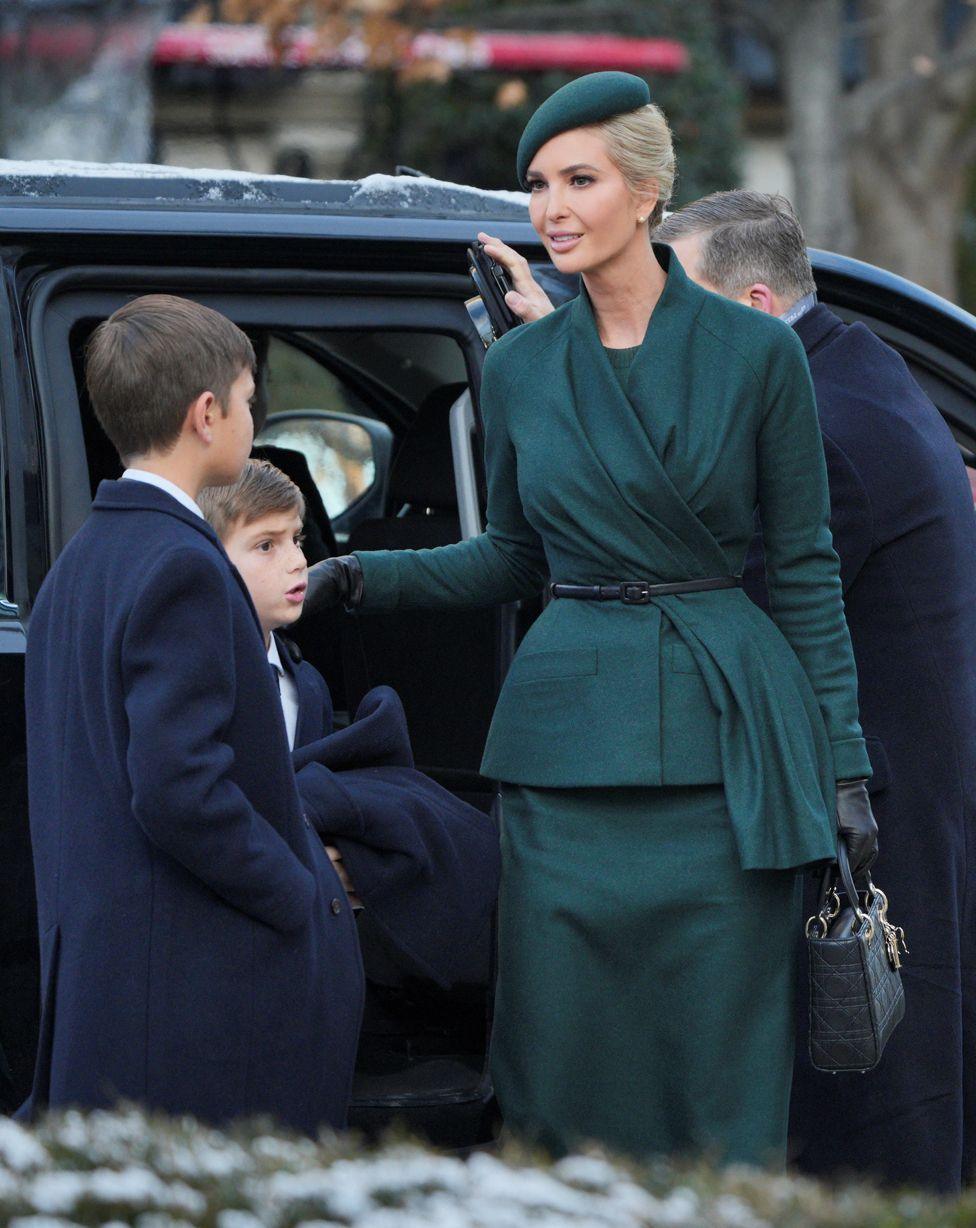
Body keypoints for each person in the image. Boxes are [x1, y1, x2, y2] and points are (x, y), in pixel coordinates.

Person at [302, 72, 878, 1166]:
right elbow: (513, 556)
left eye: (580, 179)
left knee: (715, 1059)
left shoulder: (758, 356)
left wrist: (841, 766)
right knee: (559, 1057)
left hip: (727, 760)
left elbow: (804, 569)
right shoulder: (519, 367)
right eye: (536, 184)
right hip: (566, 764)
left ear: (649, 192)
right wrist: (356, 577)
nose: (551, 207)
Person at [653, 190, 976, 1193]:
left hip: (852, 845)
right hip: (888, 815)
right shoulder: (852, 365)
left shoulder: (820, 432)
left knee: (853, 1146)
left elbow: (715, 630)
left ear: (750, 307)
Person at [21, 295, 362, 1134]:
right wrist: (296, 889)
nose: (252, 419)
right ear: (206, 414)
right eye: (249, 401)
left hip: (106, 984)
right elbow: (180, 789)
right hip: (184, 993)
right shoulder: (184, 566)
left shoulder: (83, 561)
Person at [198, 459, 501, 989]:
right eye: (265, 546)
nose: (296, 562)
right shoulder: (195, 680)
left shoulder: (306, 684)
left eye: (296, 538)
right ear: (204, 560)